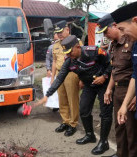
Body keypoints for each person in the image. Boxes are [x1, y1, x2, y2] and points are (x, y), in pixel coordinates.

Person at [35, 35, 113, 155]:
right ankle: (89, 135)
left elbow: (110, 63)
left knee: (105, 112)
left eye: (70, 52)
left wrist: (104, 76)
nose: (68, 55)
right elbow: (59, 78)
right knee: (83, 109)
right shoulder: (69, 61)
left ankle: (104, 142)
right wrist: (47, 95)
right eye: (66, 52)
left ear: (77, 47)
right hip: (89, 85)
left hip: (103, 84)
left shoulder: (94, 51)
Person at [97, 13, 137, 157]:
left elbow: (136, 71)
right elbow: (115, 69)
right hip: (118, 90)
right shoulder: (113, 45)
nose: (105, 35)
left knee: (131, 131)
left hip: (130, 91)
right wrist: (109, 89)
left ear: (114, 26)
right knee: (119, 128)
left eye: (106, 31)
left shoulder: (132, 41)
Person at [51, 20, 80, 137]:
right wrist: (52, 77)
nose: (59, 34)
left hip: (72, 74)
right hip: (59, 74)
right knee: (62, 100)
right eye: (57, 33)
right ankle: (65, 121)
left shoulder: (76, 42)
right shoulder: (56, 45)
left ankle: (73, 124)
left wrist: (81, 78)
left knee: (72, 100)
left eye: (61, 32)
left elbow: (81, 59)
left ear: (67, 30)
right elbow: (54, 61)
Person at [110, 1, 137, 124]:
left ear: (135, 20)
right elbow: (135, 75)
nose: (122, 34)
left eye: (122, 29)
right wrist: (125, 105)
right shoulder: (136, 45)